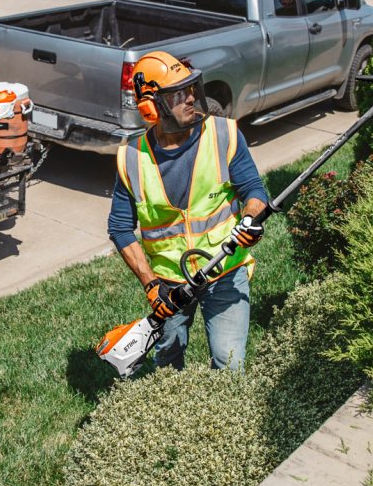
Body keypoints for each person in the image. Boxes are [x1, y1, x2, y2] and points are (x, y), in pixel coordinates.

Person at [107, 51, 269, 371]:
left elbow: (255, 191)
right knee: (167, 361)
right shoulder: (131, 158)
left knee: (229, 362)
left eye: (192, 90)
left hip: (224, 270)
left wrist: (251, 218)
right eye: (179, 95)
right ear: (151, 108)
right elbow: (120, 228)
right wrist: (151, 284)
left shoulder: (225, 135)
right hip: (169, 283)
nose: (192, 99)